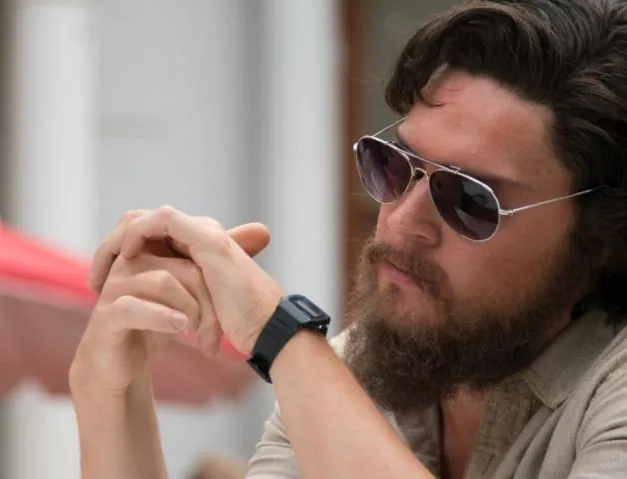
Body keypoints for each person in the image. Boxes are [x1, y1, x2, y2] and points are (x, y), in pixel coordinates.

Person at [69, 0, 627, 477]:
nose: (403, 221)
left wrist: (279, 331)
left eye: (469, 199)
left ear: (599, 239)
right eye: (393, 165)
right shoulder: (351, 372)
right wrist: (113, 395)